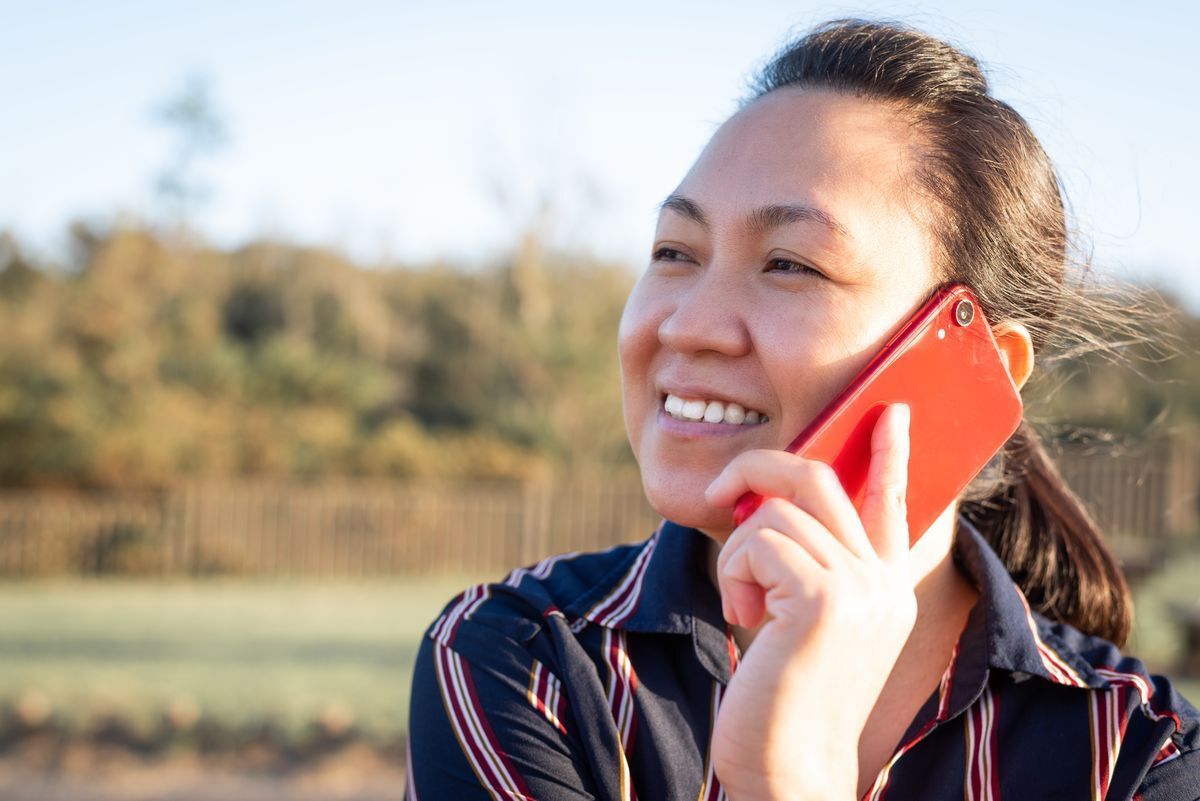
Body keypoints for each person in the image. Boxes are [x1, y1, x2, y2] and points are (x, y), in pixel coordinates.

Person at [404, 19, 1200, 801]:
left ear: (984, 367)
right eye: (674, 251)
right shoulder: (519, 659)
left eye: (791, 264)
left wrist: (791, 780)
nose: (687, 325)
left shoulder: (1138, 757)